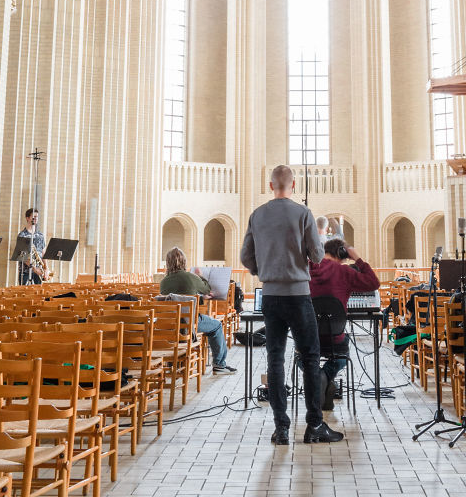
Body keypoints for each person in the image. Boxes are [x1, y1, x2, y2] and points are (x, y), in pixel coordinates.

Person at [240, 164, 342, 445]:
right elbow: (318, 255)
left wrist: (263, 270)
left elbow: (246, 256)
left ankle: (281, 429)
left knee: (275, 360)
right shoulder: (303, 213)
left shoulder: (257, 215)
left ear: (271, 185)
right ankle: (314, 427)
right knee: (309, 358)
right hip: (298, 295)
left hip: (271, 296)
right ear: (294, 186)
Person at [309, 238, 380, 410]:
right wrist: (358, 260)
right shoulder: (344, 272)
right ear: (341, 253)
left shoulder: (305, 268)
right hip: (335, 338)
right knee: (343, 352)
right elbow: (374, 283)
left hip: (309, 337)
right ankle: (325, 377)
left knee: (302, 356)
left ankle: (317, 378)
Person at [159, 247, 237, 374]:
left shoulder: (164, 282)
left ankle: (177, 363)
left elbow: (175, 298)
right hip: (189, 323)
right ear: (184, 261)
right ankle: (219, 364)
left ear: (168, 262)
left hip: (170, 325)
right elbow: (207, 289)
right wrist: (201, 276)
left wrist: (199, 299)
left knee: (210, 324)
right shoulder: (190, 277)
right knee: (216, 325)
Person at [16, 207, 45, 285]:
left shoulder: (40, 235)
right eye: (33, 216)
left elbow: (43, 253)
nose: (36, 218)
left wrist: (46, 268)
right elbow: (23, 256)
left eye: (37, 217)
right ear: (27, 218)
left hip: (39, 271)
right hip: (25, 272)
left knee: (39, 294)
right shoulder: (22, 235)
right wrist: (35, 269)